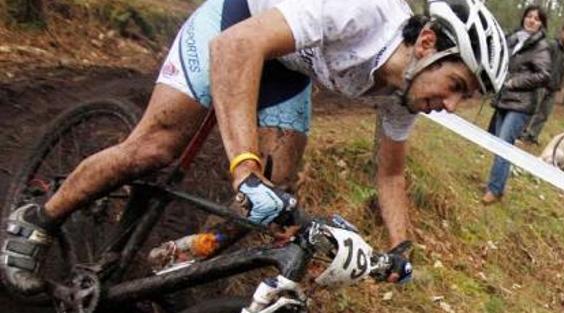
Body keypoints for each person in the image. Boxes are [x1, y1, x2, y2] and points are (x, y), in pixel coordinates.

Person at [2, 0, 509, 294]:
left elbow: (391, 175)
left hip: (286, 68)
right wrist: (243, 167)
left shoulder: (406, 94)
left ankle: (178, 261)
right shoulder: (361, 10)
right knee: (155, 149)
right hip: (236, 27)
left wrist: (401, 248)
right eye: (457, 85)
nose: (452, 104)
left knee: (279, 191)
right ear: (426, 45)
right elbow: (237, 47)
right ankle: (38, 220)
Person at [481, 5, 551, 204]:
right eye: (529, 16)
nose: (531, 21)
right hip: (504, 98)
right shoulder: (512, 38)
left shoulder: (541, 46)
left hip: (521, 103)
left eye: (536, 19)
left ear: (541, 24)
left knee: (504, 143)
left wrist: (514, 82)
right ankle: (497, 184)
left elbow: (544, 75)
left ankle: (494, 190)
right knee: (497, 142)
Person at [517, 23, 564, 146]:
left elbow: (562, 70)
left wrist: (559, 85)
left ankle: (532, 136)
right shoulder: (552, 45)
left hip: (553, 87)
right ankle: (519, 132)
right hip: (542, 83)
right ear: (562, 32)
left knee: (544, 114)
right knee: (532, 109)